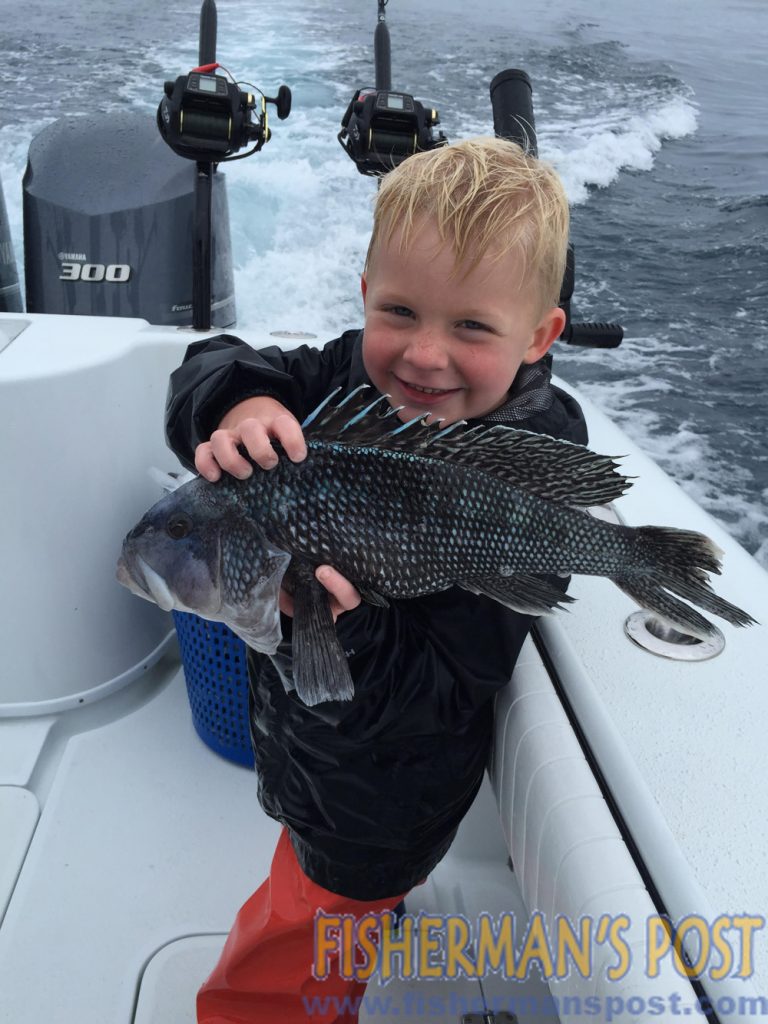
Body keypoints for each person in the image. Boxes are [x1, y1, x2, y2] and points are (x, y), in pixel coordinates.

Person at [165, 136, 587, 1024]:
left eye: (472, 327)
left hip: (370, 811)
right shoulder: (340, 378)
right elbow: (211, 359)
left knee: (286, 966)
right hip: (313, 759)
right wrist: (239, 402)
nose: (424, 357)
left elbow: (444, 687)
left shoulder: (529, 472)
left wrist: (340, 631)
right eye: (400, 311)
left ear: (541, 335)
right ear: (365, 298)